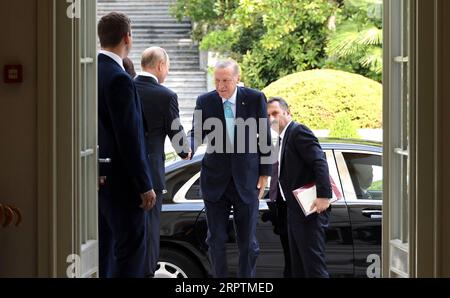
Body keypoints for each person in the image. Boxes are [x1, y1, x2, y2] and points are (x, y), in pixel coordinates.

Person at [188, 59, 272, 278]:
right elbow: (196, 132)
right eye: (217, 81)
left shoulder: (254, 99)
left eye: (226, 80)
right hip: (215, 181)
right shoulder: (205, 101)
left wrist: (265, 174)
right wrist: (188, 147)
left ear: (237, 78)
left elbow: (265, 137)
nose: (221, 86)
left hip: (247, 180)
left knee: (248, 242)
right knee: (215, 239)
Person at [97, 12, 156, 278]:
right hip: (122, 183)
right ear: (127, 37)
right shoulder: (119, 78)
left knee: (105, 254)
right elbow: (129, 136)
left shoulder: (91, 70)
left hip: (98, 178)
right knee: (131, 254)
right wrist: (144, 185)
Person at [134, 46, 191, 277]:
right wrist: (186, 152)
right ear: (160, 66)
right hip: (150, 178)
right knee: (149, 238)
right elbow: (178, 138)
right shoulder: (166, 96)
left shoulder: (126, 88)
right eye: (167, 67)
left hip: (122, 176)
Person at [267, 97, 332, 278]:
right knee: (298, 268)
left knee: (313, 267)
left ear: (287, 113)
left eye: (275, 113)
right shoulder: (282, 138)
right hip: (294, 211)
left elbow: (319, 161)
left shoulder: (298, 131)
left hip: (309, 210)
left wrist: (323, 196)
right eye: (268, 116)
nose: (271, 119)